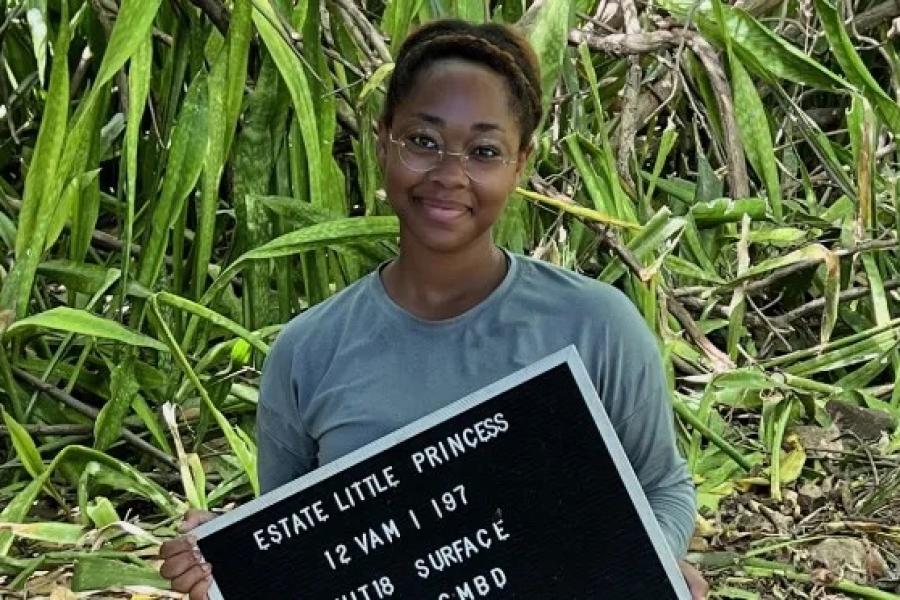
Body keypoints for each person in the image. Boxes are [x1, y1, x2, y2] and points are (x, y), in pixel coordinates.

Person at [159, 18, 709, 599]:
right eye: (423, 141)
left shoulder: (597, 326)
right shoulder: (308, 352)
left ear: (519, 164)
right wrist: (224, 565)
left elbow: (664, 487)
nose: (450, 174)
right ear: (382, 141)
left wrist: (644, 566)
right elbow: (303, 557)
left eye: (485, 151)